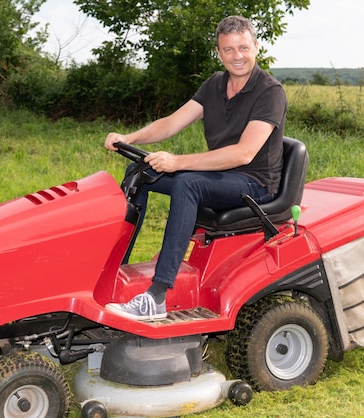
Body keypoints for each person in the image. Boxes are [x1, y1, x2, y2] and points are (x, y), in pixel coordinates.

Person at [104, 15, 287, 321]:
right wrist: (129, 137)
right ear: (219, 53)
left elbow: (244, 154)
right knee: (141, 173)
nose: (237, 56)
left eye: (243, 47)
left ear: (256, 46)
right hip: (220, 175)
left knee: (188, 182)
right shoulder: (215, 84)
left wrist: (178, 162)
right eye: (228, 50)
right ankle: (112, 269)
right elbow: (172, 122)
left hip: (253, 183)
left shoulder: (270, 92)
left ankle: (157, 296)